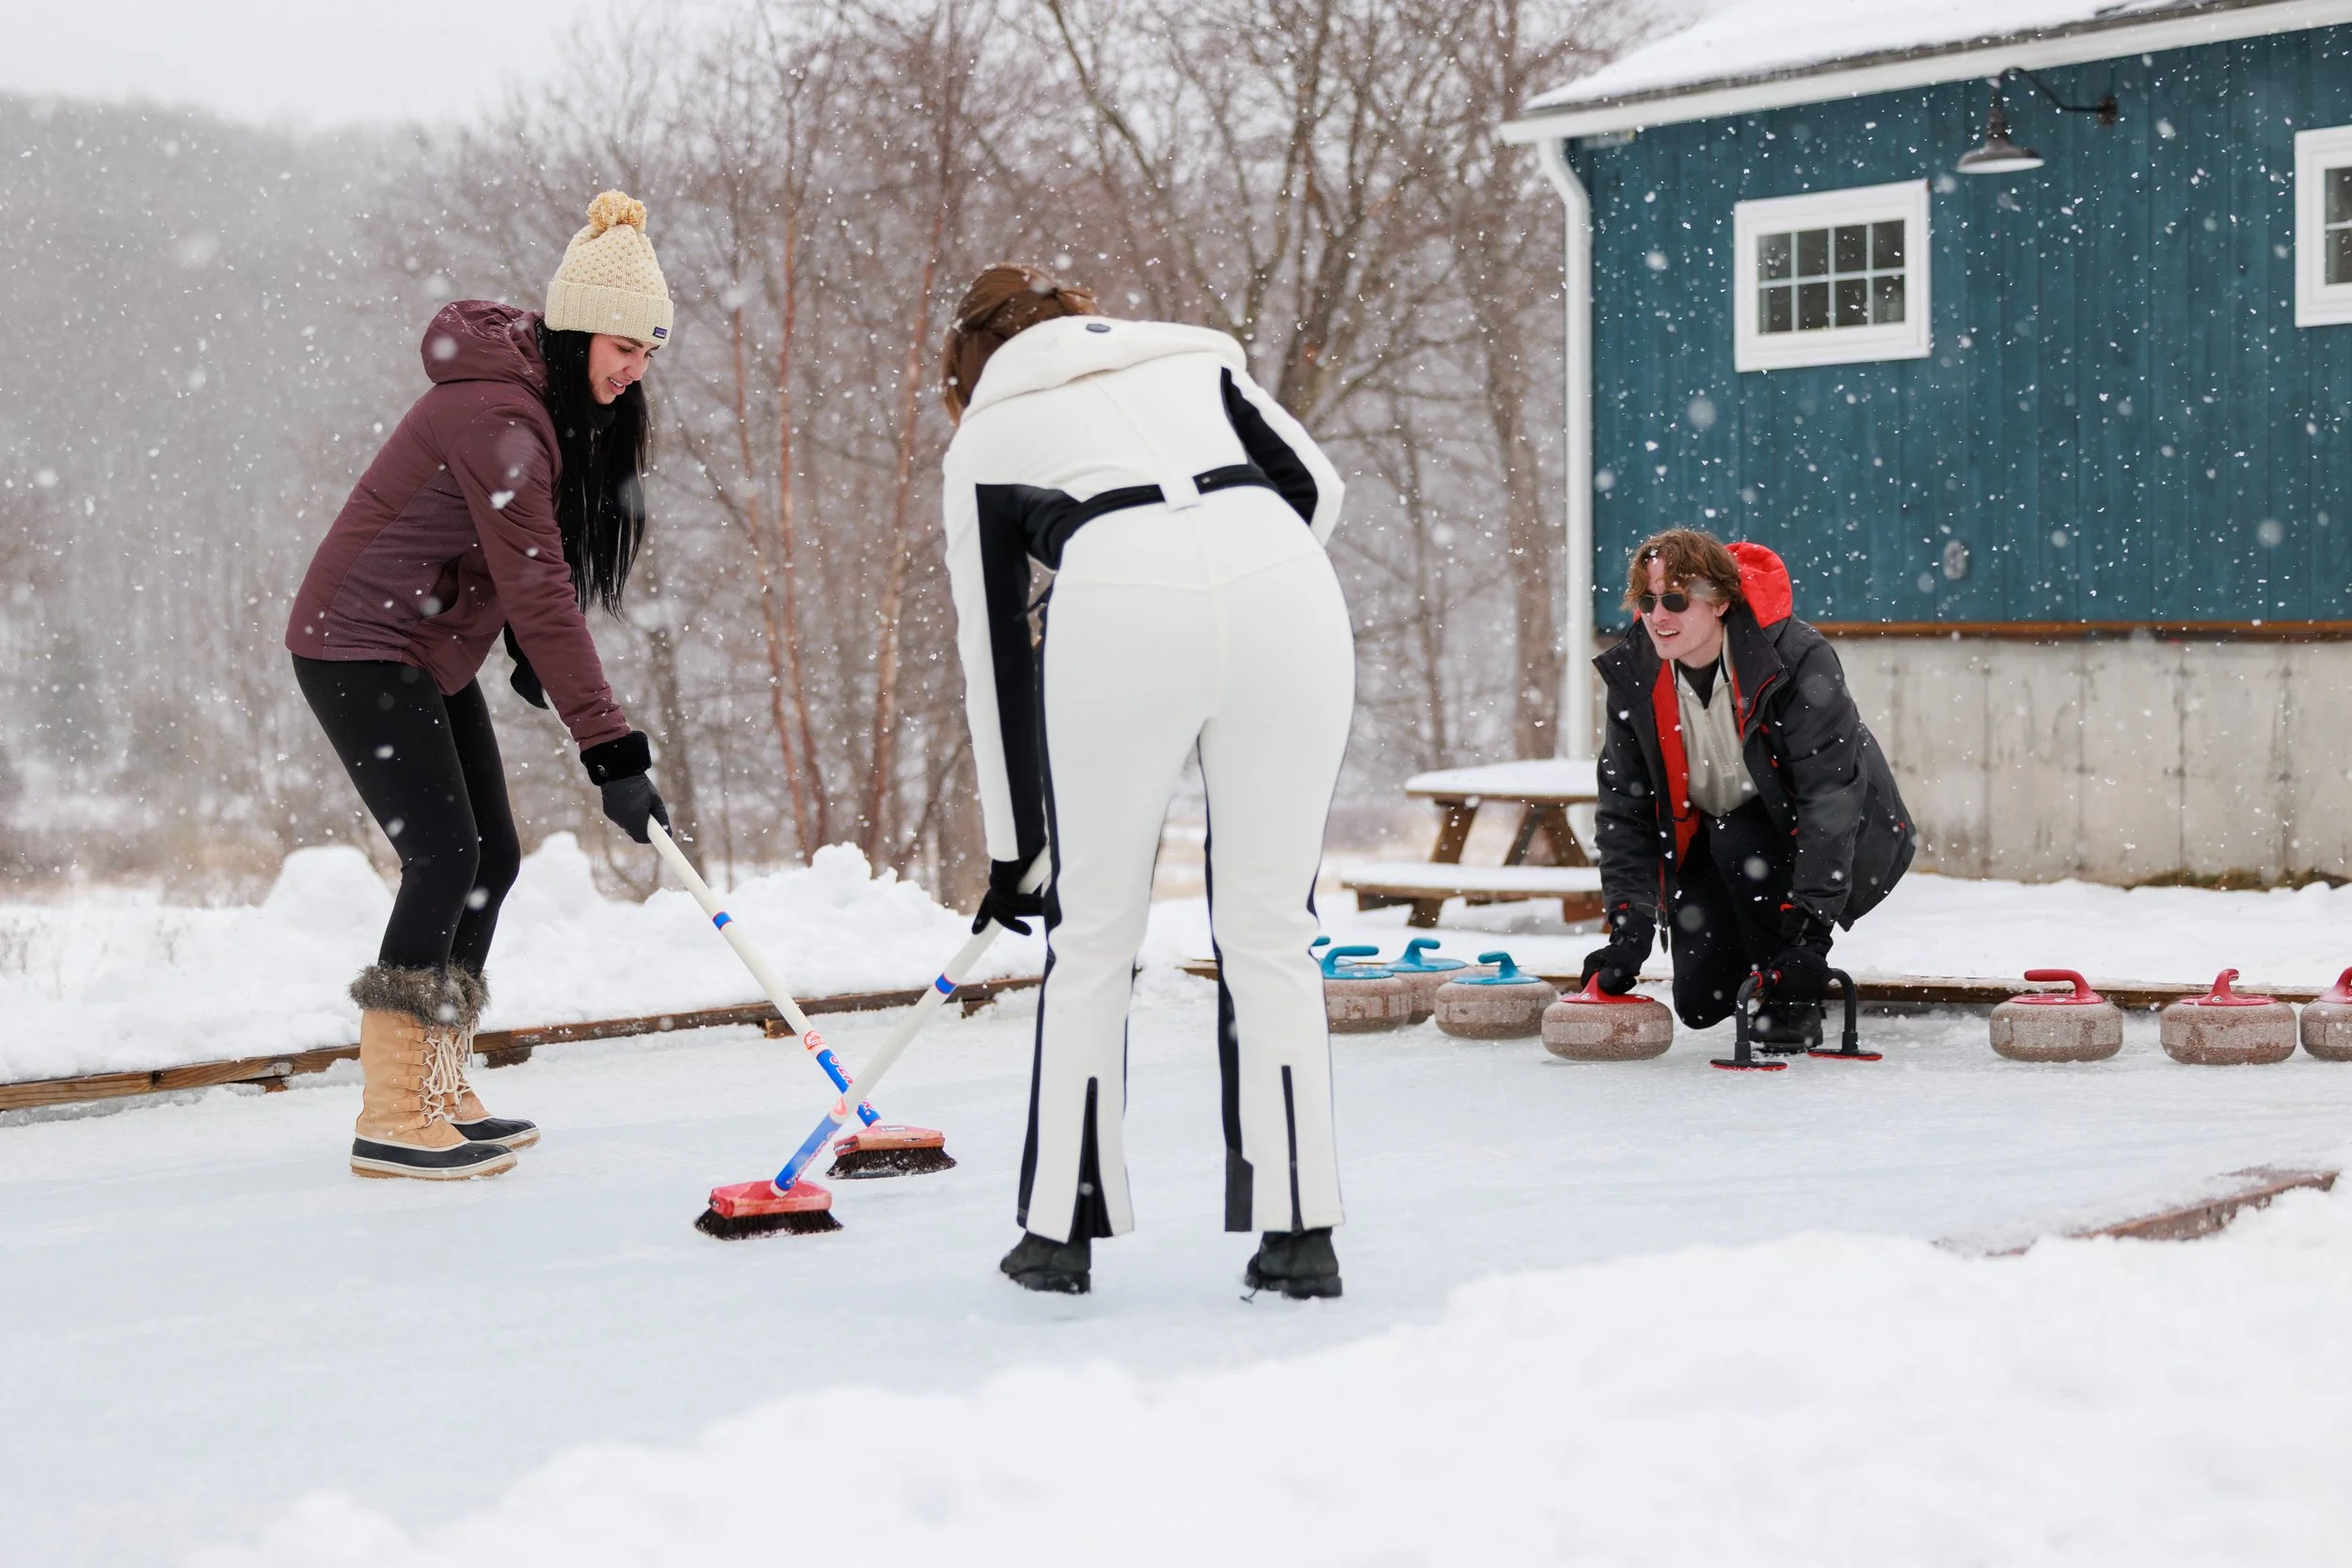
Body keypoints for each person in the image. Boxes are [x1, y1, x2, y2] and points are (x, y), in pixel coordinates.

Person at [939, 264, 1355, 1297]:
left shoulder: (986, 431)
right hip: (1287, 584)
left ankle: (1056, 1234)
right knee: (1270, 928)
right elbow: (1318, 486)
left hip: (1119, 596)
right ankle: (1299, 1230)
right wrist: (1237, 574)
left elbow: (991, 650)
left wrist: (1014, 848)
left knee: (1092, 932)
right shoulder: (1199, 360)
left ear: (972, 365)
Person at [285, 190, 674, 1180]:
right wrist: (609, 745)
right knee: (445, 853)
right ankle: (391, 1111)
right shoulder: (499, 416)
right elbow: (537, 583)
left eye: (647, 353)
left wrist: (532, 659)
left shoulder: (535, 405)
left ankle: (440, 1081)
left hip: (418, 646)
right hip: (357, 641)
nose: (632, 372)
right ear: (580, 326)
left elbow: (510, 573)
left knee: (489, 851)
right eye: (623, 346)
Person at [1581, 529, 1915, 1046]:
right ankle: (1761, 968)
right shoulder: (1636, 674)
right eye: (1647, 601)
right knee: (1700, 1003)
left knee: (1741, 839)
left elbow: (1829, 795)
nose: (1658, 616)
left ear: (1719, 602)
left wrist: (1810, 940)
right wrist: (1629, 931)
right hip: (1712, 836)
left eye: (1675, 599)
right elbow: (1625, 808)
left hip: (1806, 833)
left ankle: (1790, 996)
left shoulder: (1795, 657)